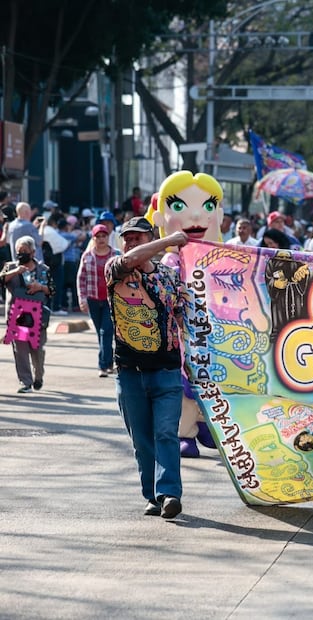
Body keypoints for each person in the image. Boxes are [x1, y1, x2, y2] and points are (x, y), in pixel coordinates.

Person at [108, 216, 188, 519]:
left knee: (166, 432)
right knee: (141, 440)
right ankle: (152, 495)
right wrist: (169, 241)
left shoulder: (169, 276)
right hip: (130, 373)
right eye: (127, 238)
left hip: (166, 370)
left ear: (149, 238)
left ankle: (170, 493)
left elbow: (182, 318)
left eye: (137, 237)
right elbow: (129, 259)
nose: (131, 243)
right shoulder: (115, 270)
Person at [149, 170, 224, 459]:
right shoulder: (170, 260)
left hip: (214, 331)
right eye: (179, 206)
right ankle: (185, 431)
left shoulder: (220, 257)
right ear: (160, 217)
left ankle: (206, 426)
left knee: (212, 378)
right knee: (184, 383)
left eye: (207, 207)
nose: (197, 215)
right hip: (182, 333)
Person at [1, 236, 53, 393]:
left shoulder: (43, 269)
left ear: (33, 252)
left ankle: (38, 376)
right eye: (19, 251)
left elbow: (52, 290)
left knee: (37, 349)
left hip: (37, 316)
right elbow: (1, 279)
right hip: (17, 315)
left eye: (25, 251)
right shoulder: (9, 267)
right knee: (20, 350)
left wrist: (40, 287)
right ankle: (25, 381)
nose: (22, 254)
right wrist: (15, 272)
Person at [78, 224, 120, 377]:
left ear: (108, 237)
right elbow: (81, 279)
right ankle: (108, 362)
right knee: (100, 333)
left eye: (104, 236)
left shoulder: (116, 255)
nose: (101, 239)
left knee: (106, 331)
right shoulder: (87, 256)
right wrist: (82, 299)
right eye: (98, 236)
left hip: (111, 300)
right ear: (93, 238)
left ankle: (103, 365)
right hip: (93, 299)